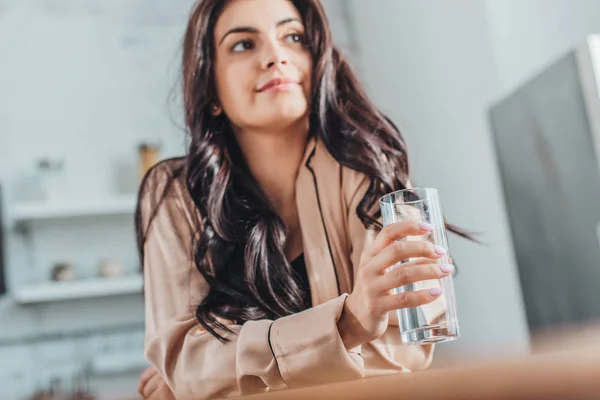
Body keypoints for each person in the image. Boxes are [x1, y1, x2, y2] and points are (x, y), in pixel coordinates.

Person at [135, 0, 468, 399]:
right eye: (243, 44)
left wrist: (231, 376)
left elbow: (406, 350)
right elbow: (189, 364)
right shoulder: (174, 192)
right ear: (211, 90)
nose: (276, 57)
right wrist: (347, 326)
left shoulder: (366, 167)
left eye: (293, 37)